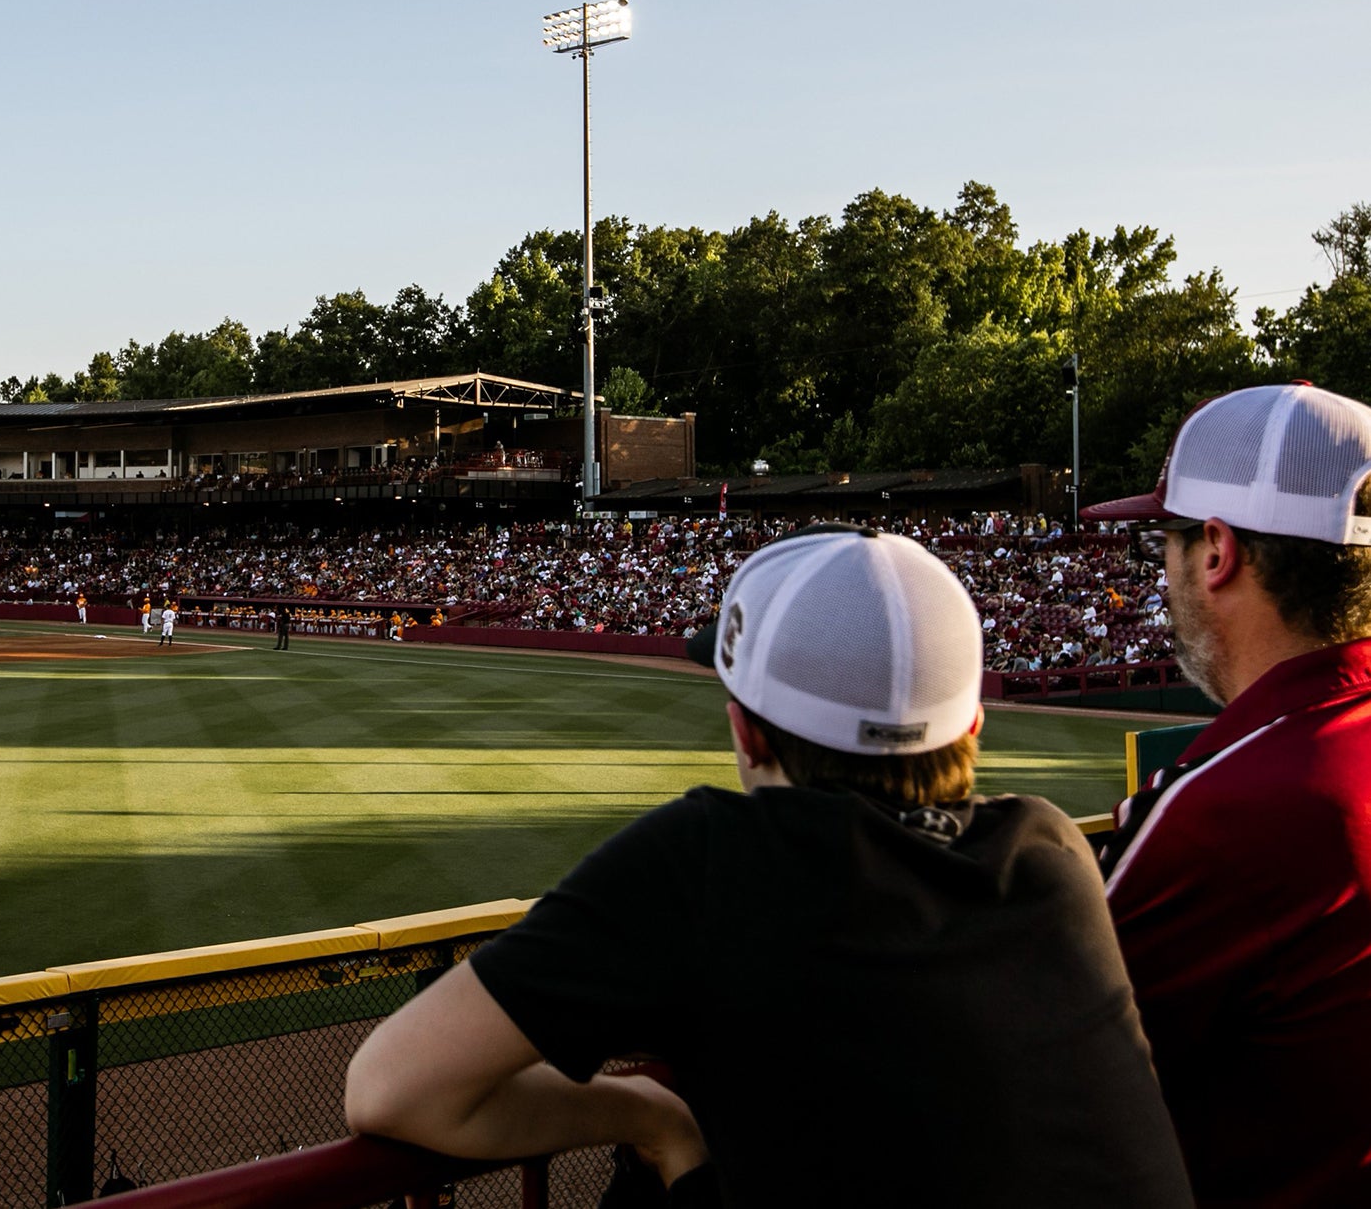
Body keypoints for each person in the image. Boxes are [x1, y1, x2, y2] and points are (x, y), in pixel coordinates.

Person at [345, 525, 1190, 1208]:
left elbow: (388, 1087)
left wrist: (648, 1114)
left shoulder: (710, 859)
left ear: (745, 733)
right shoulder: (1053, 854)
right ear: (972, 726)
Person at [1082, 382, 1371, 1207]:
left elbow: (1034, 1069)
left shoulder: (1231, 806)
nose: (1162, 571)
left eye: (1163, 542)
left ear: (1216, 550)